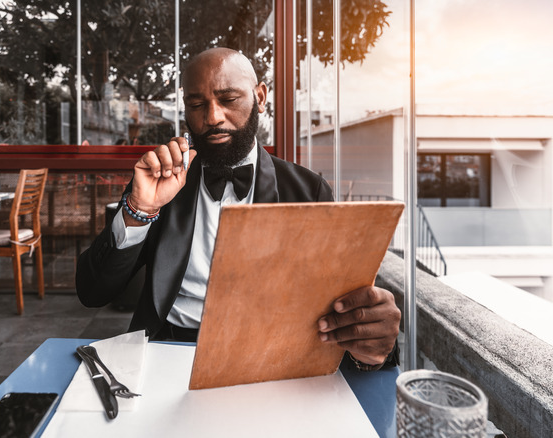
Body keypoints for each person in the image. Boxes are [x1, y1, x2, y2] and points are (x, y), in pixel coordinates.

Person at [76, 47, 400, 370]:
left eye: (228, 100)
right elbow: (92, 292)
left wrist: (371, 349)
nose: (212, 117)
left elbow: (345, 309)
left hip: (271, 354)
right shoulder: (162, 182)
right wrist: (139, 209)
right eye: (197, 104)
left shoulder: (308, 190)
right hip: (168, 348)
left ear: (260, 97)